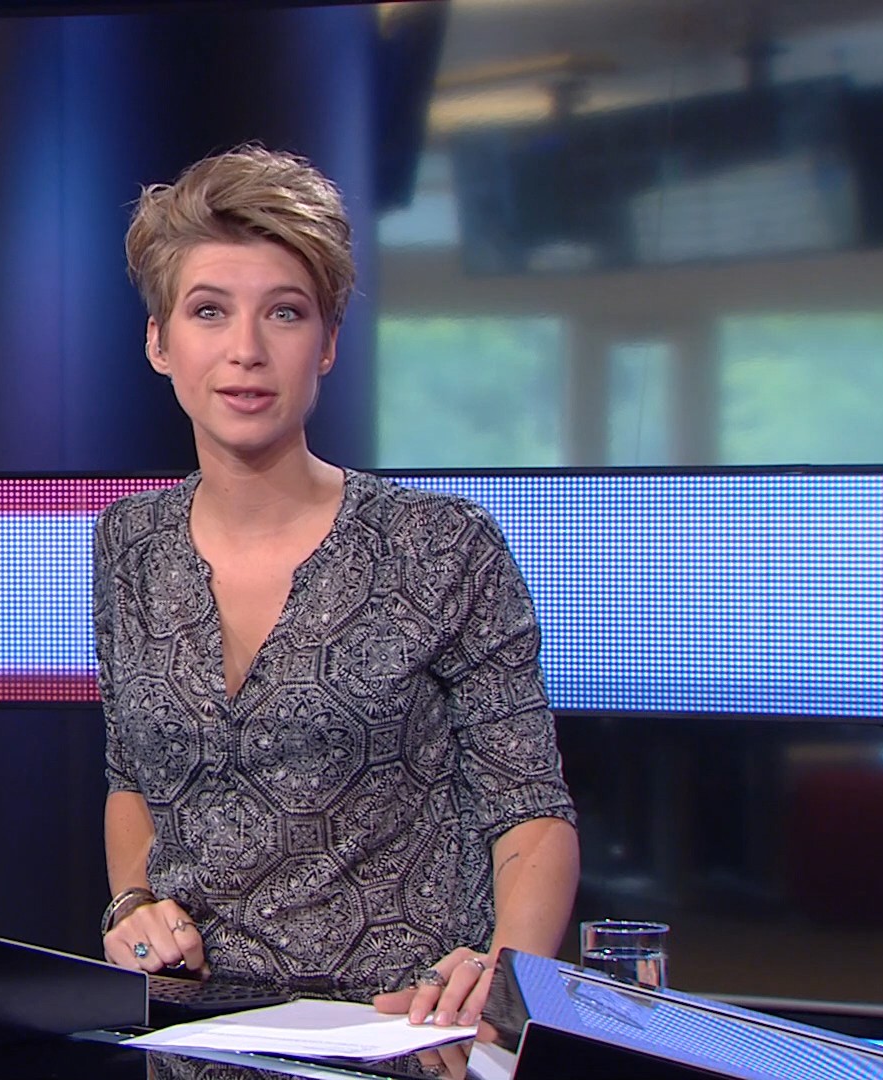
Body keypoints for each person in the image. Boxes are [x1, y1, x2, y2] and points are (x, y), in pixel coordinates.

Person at [94, 143, 579, 1034]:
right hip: (192, 1031)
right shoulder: (130, 543)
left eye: (284, 313)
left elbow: (531, 811)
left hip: (403, 1031)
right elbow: (131, 778)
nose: (245, 351)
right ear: (160, 342)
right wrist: (132, 904)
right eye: (209, 311)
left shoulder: (440, 545)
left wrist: (502, 979)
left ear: (325, 345)